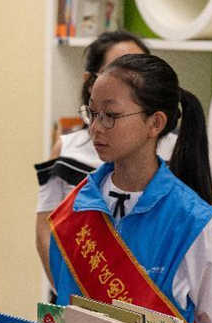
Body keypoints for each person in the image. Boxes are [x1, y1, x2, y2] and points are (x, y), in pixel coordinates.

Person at [48, 54, 212, 323]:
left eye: (111, 115)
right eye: (92, 113)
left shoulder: (198, 227)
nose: (96, 127)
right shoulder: (74, 208)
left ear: (155, 123)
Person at [34, 30, 175, 288]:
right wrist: (68, 288)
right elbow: (46, 227)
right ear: (91, 82)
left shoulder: (171, 154)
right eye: (117, 70)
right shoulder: (67, 149)